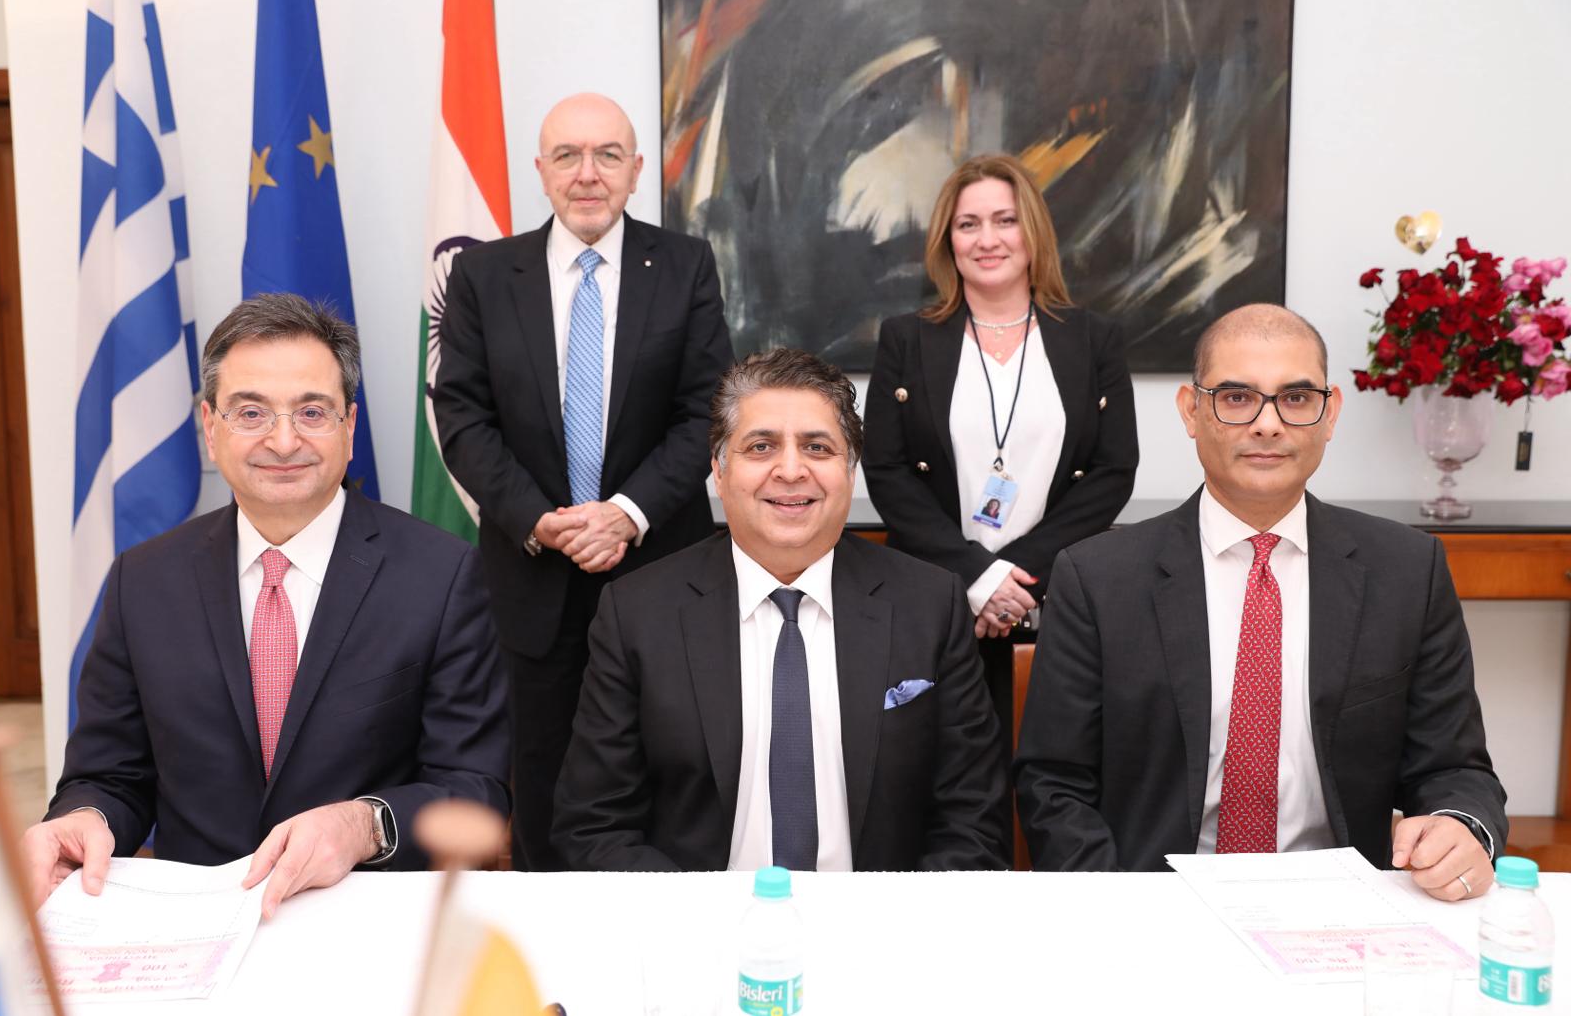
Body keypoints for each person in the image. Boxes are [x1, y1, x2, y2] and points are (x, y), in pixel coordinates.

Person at [24, 294, 509, 917]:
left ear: (349, 428)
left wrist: (366, 825)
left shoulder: (441, 576)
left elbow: (476, 790)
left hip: (367, 915)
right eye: (251, 412)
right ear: (210, 428)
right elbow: (109, 776)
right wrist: (83, 818)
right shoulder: (141, 581)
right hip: (194, 921)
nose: (283, 441)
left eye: (312, 411)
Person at [1014, 304, 1507, 900]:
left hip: (1341, 904)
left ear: (1330, 413)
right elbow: (1054, 783)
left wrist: (1461, 827)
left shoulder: (1406, 570)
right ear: (1191, 411)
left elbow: (1453, 768)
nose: (1268, 424)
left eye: (1296, 398)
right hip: (1155, 901)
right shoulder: (1097, 578)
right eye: (1237, 397)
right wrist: (1124, 908)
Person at [552, 349, 1007, 871]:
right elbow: (594, 826)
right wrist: (699, 918)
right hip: (698, 916)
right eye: (761, 446)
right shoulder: (638, 613)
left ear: (850, 471)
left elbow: (974, 821)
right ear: (718, 472)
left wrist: (890, 920)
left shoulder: (929, 605)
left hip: (880, 916)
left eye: (817, 447)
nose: (791, 471)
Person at [433, 93, 734, 870]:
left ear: (637, 170)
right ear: (541, 170)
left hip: (662, 568)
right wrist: (541, 519)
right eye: (567, 155)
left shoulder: (687, 265)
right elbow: (461, 416)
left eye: (607, 155)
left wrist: (626, 512)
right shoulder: (483, 274)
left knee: (672, 768)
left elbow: (708, 411)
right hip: (533, 573)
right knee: (542, 779)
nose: (587, 173)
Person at [863, 153, 1138, 778]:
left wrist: (1018, 578)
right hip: (937, 600)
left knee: (1052, 775)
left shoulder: (1093, 338)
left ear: (1032, 231)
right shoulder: (906, 338)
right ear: (948, 240)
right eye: (968, 224)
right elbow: (887, 471)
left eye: (1005, 220)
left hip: (1053, 602)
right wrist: (977, 578)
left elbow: (1113, 471)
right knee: (942, 777)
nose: (987, 239)